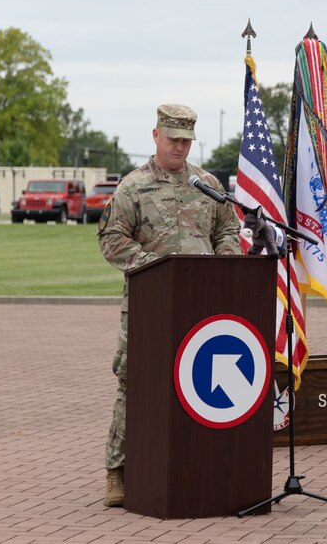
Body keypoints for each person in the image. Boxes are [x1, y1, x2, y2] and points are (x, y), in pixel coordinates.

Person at [97, 104, 241, 507]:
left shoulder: (206, 184)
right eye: (173, 140)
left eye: (186, 141)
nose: (180, 148)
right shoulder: (132, 187)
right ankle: (117, 472)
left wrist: (225, 262)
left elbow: (228, 228)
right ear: (156, 135)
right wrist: (155, 268)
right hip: (150, 301)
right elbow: (111, 239)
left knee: (195, 383)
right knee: (135, 382)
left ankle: (193, 464)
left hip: (202, 304)